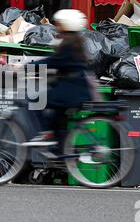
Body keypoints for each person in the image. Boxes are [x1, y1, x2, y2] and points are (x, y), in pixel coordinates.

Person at [24, 9, 93, 147]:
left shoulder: (68, 44)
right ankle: (61, 160)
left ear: (67, 25)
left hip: (71, 91)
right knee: (59, 124)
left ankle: (45, 133)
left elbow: (52, 61)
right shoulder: (74, 41)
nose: (57, 26)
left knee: (34, 99)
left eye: (60, 24)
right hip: (75, 89)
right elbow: (59, 63)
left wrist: (25, 67)